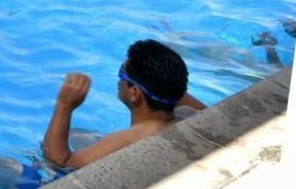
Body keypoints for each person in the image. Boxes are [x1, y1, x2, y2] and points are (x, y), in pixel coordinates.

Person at [42, 39, 205, 170]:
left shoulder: (125, 141)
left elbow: (60, 162)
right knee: (74, 134)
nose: (119, 80)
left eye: (122, 74)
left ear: (134, 93)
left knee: (39, 158)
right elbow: (174, 88)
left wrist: (64, 106)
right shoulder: (190, 112)